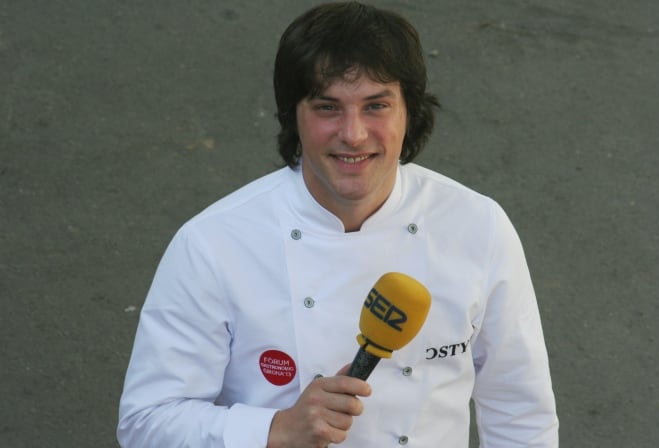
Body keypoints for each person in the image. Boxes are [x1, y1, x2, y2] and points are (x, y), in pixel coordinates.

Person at [117, 2, 559, 447]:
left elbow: (520, 413)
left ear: (409, 112)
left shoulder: (477, 227)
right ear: (294, 115)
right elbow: (146, 423)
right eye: (328, 107)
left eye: (376, 106)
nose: (353, 134)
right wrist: (272, 430)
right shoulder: (213, 244)